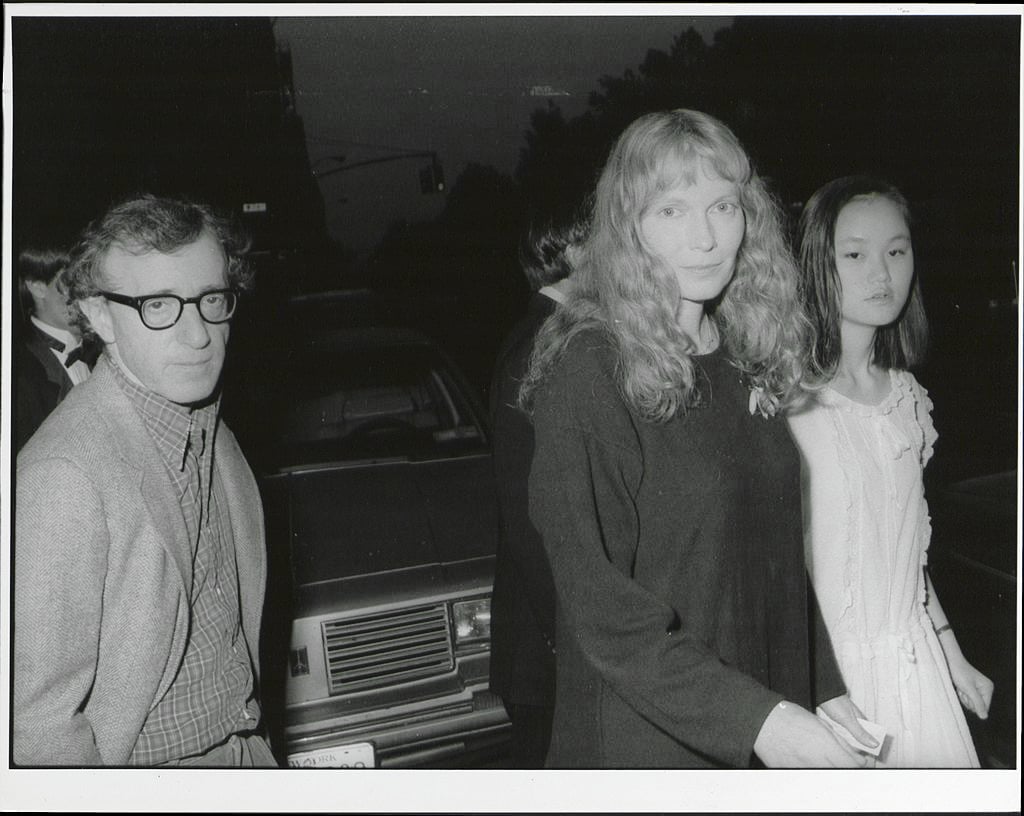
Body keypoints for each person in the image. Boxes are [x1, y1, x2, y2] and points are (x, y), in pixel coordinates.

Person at [518, 108, 873, 769]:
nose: (707, 238)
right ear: (629, 230)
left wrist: (819, 683)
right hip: (653, 748)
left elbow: (767, 552)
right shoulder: (592, 367)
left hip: (763, 716)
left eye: (723, 206)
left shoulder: (737, 354)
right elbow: (600, 608)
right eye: (672, 212)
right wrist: (759, 720)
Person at [14, 194, 277, 767]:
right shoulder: (66, 473)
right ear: (100, 315)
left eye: (211, 300)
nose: (200, 335)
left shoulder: (212, 429)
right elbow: (37, 726)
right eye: (159, 306)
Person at [787, 175, 993, 767]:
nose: (881, 274)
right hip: (828, 682)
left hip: (915, 669)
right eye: (854, 255)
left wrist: (953, 662)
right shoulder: (787, 402)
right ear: (817, 265)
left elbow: (907, 556)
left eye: (896, 252)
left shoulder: (908, 400)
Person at [488, 211, 587, 768]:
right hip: (547, 653)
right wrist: (570, 635)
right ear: (572, 246)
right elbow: (526, 512)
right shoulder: (538, 345)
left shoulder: (558, 332)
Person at [14, 242, 98, 451]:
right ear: (37, 287)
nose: (89, 293)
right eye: (73, 280)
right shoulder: (17, 375)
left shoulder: (105, 349)